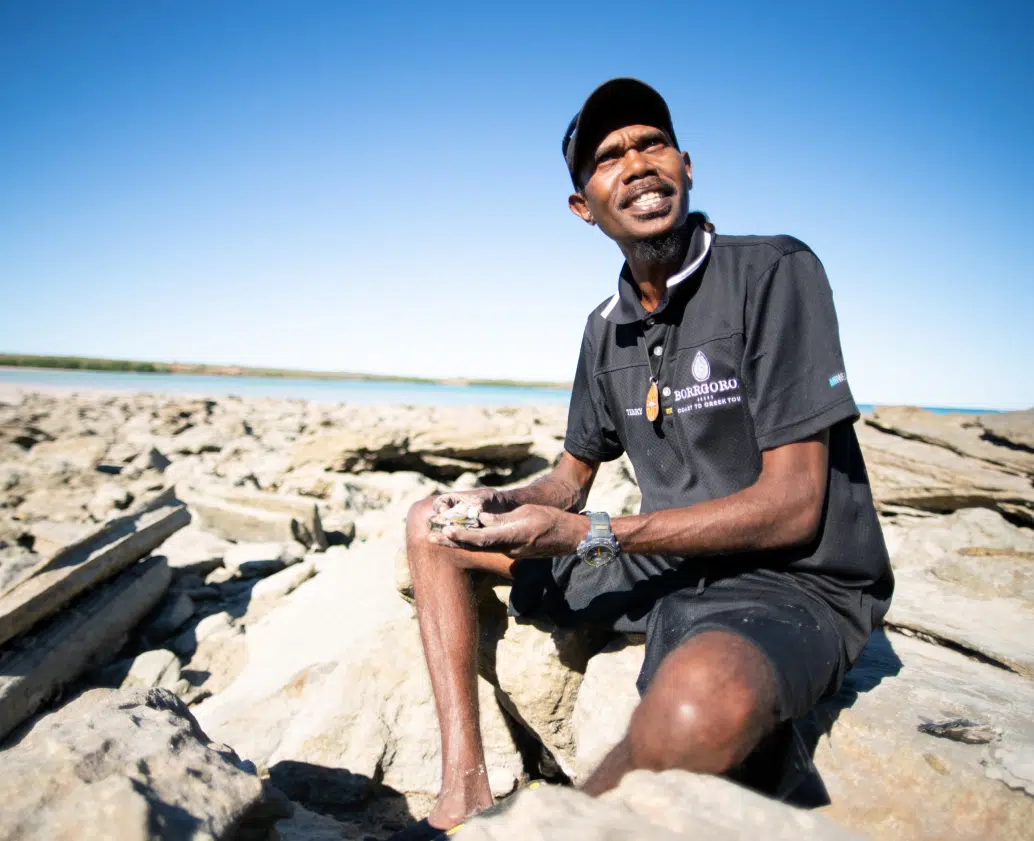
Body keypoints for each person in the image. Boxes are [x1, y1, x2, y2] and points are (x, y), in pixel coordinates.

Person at [393, 78, 893, 840]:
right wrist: (504, 503)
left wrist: (593, 534)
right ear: (583, 208)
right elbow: (571, 476)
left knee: (694, 702)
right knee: (434, 519)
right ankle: (463, 786)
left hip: (794, 579)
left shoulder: (774, 273)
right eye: (608, 157)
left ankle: (545, 830)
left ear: (687, 166)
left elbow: (796, 505)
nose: (635, 163)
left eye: (651, 143)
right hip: (665, 563)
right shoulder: (606, 329)